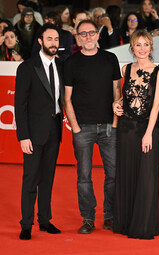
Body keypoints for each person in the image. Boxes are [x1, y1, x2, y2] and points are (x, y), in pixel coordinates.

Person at [63, 20, 121, 234]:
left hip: (109, 127)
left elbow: (117, 93)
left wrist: (115, 124)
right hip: (83, 129)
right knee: (84, 177)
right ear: (78, 37)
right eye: (83, 34)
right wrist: (76, 128)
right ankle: (87, 218)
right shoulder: (71, 63)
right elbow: (67, 99)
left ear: (98, 35)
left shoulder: (110, 59)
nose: (87, 37)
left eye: (91, 33)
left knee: (113, 175)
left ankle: (110, 216)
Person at [113, 29, 159, 239]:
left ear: (151, 47)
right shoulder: (125, 69)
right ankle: (125, 222)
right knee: (127, 173)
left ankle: (144, 224)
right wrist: (116, 105)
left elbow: (156, 107)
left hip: (147, 129)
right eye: (138, 45)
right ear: (132, 47)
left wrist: (148, 133)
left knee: (146, 175)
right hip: (126, 129)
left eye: (146, 44)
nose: (142, 49)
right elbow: (121, 100)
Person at [14, 23, 64, 240]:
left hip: (54, 131)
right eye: (50, 39)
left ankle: (44, 219)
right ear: (40, 41)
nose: (54, 43)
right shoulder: (27, 67)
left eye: (56, 39)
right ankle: (26, 224)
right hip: (33, 135)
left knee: (48, 178)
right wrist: (23, 136)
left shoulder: (60, 66)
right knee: (30, 178)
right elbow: (20, 105)